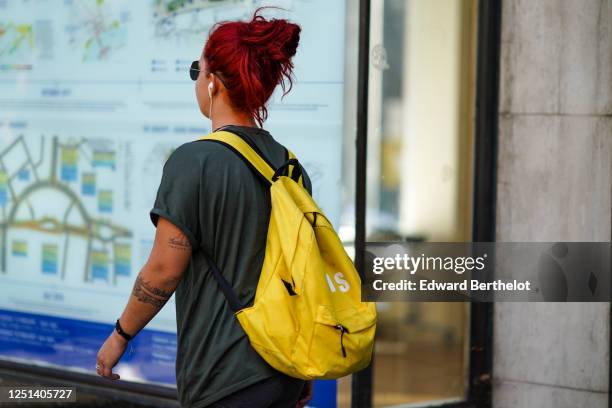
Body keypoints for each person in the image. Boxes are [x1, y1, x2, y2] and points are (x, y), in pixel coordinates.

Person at [96, 9, 314, 408]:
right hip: (283, 368)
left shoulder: (194, 162)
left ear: (212, 83)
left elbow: (163, 270)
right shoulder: (290, 166)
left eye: (199, 70)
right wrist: (300, 370)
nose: (197, 80)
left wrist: (120, 336)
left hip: (223, 377)